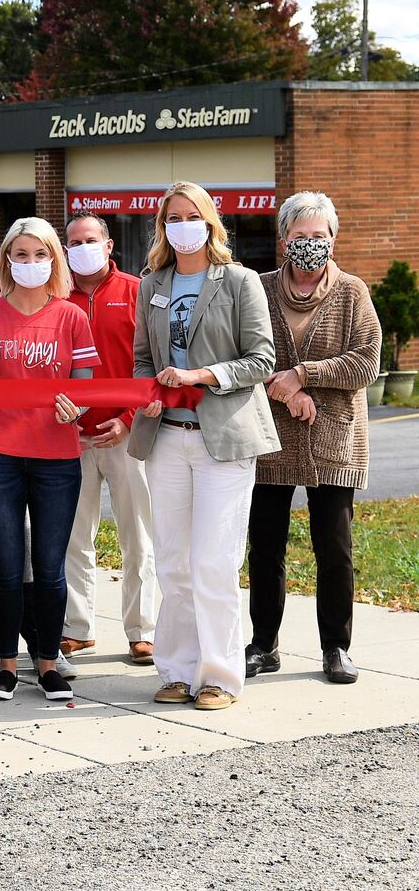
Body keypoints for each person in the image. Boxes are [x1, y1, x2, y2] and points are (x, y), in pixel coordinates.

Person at [130, 181, 279, 712]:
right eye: (173, 217)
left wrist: (202, 374)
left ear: (210, 223)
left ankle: (219, 675)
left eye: (192, 215)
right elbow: (142, 358)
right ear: (162, 227)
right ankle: (177, 669)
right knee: (173, 561)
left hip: (225, 440)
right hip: (167, 438)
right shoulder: (152, 285)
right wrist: (147, 392)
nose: (182, 225)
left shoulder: (240, 282)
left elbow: (262, 360)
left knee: (213, 562)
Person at [0, 217, 97, 703]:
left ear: (54, 260)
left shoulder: (72, 316)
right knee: (9, 567)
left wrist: (77, 406)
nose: (31, 263)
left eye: (40, 255)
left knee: (51, 568)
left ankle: (49, 665)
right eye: (21, 255)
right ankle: (7, 667)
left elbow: (85, 389)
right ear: (7, 261)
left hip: (57, 457)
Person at [248, 192, 381, 686]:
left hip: (334, 443)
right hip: (269, 441)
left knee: (335, 549)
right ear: (283, 240)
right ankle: (263, 645)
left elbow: (367, 361)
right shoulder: (257, 290)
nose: (309, 244)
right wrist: (287, 393)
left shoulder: (352, 293)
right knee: (265, 548)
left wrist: (303, 375)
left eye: (319, 236)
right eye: (300, 236)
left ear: (333, 239)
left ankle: (336, 647)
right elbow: (242, 357)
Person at [63, 212, 157, 664]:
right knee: (73, 537)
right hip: (69, 438)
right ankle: (77, 628)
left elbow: (152, 363)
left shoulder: (137, 293)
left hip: (126, 435)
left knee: (137, 537)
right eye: (73, 242)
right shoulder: (54, 297)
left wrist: (127, 417)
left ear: (108, 245)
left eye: (89, 240)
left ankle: (142, 630)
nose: (81, 248)